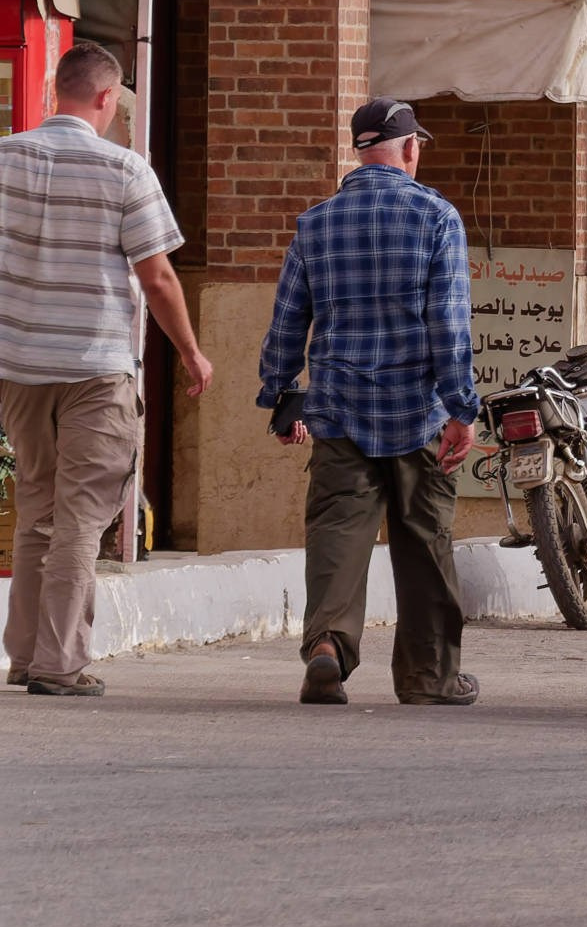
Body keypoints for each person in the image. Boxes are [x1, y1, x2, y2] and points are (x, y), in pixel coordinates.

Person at [0, 43, 213, 696]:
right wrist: (189, 350)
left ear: (50, 91)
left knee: (37, 502)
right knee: (82, 516)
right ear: (105, 98)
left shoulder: (3, 159)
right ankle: (60, 663)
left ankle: (26, 654)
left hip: (18, 368)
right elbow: (157, 275)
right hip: (95, 365)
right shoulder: (125, 170)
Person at [258, 99, 480, 708]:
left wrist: (280, 395)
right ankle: (429, 677)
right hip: (419, 413)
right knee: (426, 539)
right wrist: (462, 407)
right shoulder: (437, 217)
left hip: (339, 408)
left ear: (361, 149)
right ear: (409, 148)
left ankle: (327, 648)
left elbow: (286, 323)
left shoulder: (316, 223)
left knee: (337, 534)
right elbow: (449, 325)